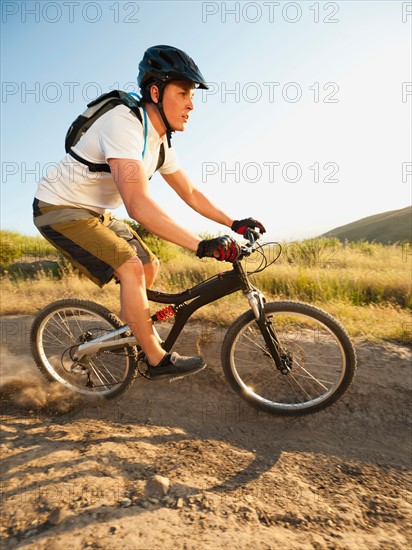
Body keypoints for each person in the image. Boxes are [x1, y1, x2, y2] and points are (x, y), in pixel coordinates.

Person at [33, 45, 266, 380]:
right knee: (131, 269)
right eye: (183, 93)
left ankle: (129, 333)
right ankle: (155, 359)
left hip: (96, 212)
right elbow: (138, 205)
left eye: (192, 95)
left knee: (148, 265)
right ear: (155, 91)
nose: (191, 104)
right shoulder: (124, 124)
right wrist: (201, 245)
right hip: (59, 209)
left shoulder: (159, 141)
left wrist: (233, 222)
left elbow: (190, 192)